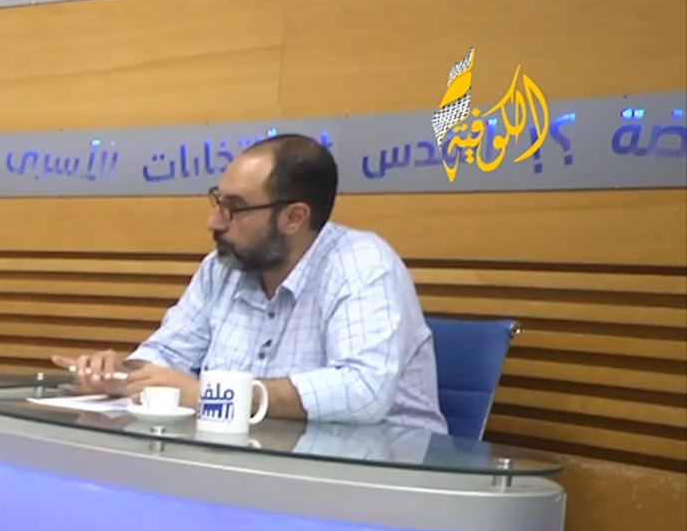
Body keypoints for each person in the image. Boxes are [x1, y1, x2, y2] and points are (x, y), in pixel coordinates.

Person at [54, 134, 448, 434]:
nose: (214, 222)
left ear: (294, 217)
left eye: (235, 208)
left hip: (381, 481)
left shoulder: (362, 263)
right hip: (256, 464)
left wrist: (216, 397)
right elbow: (168, 353)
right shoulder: (222, 268)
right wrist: (120, 374)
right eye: (218, 202)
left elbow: (363, 390)